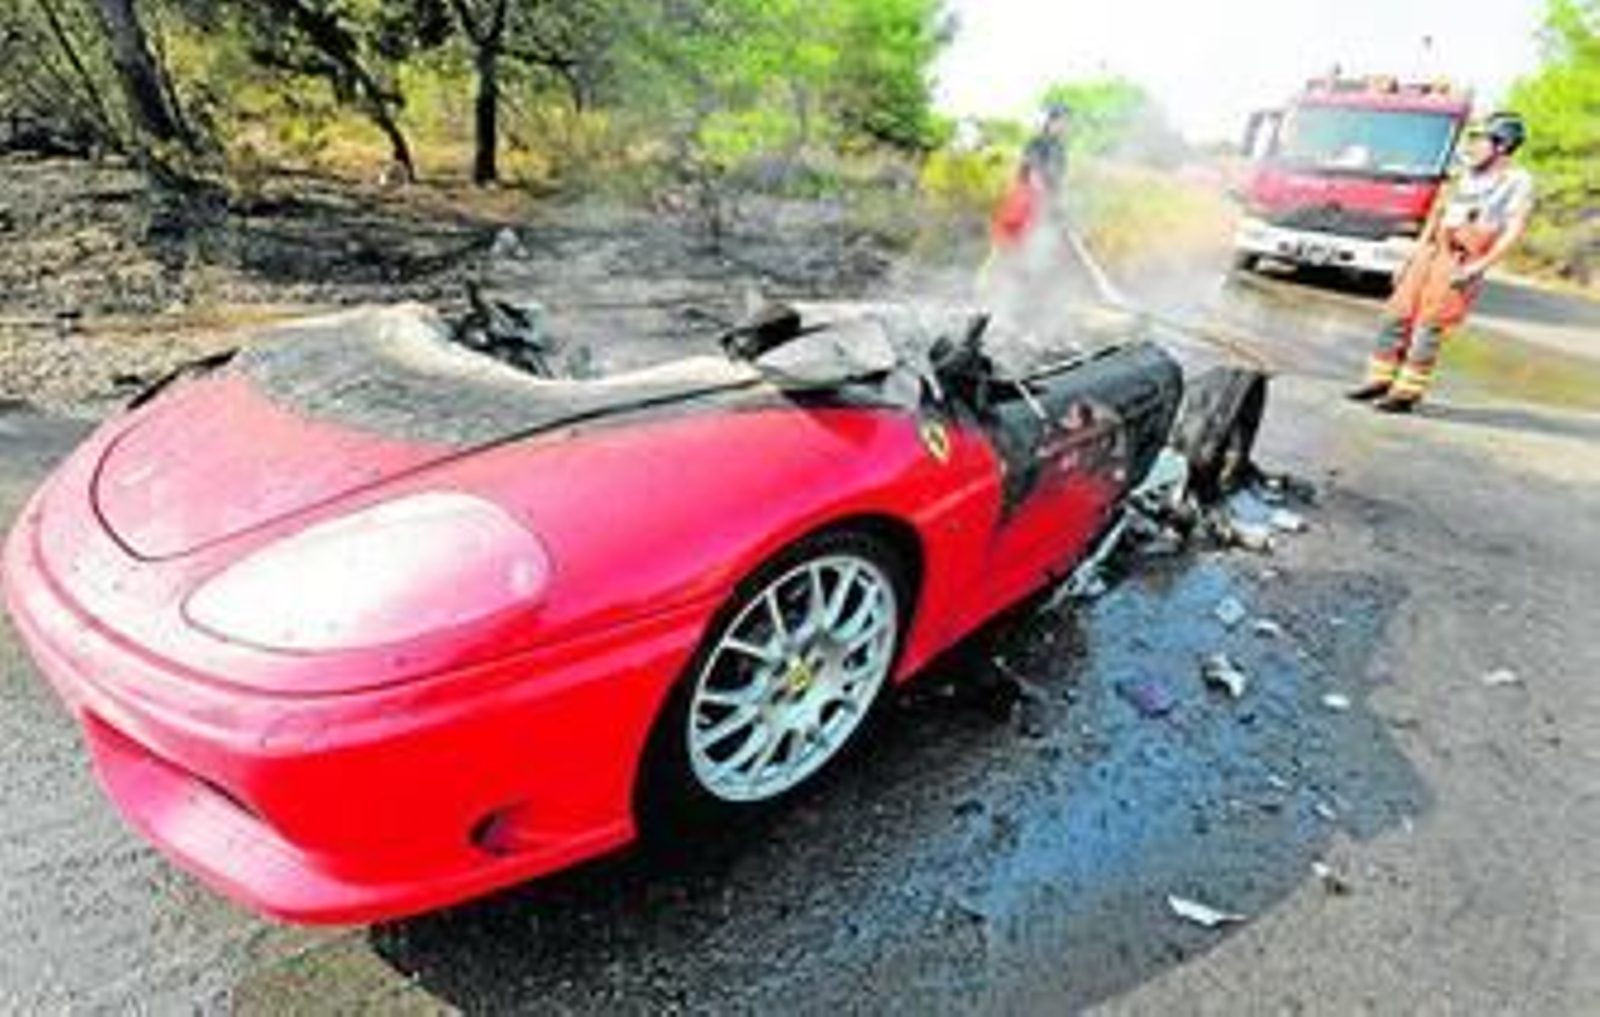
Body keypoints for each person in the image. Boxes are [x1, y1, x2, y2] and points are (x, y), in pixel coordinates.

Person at [1348, 112, 1535, 413]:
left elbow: (1514, 230)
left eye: (1481, 139)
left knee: (1429, 325)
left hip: (1461, 258)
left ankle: (1406, 393)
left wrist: (1477, 267)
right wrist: (1412, 258)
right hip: (1432, 251)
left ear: (1502, 146)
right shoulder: (1465, 172)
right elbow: (1437, 215)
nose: (1473, 145)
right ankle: (1379, 380)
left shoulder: (1517, 181)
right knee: (1396, 314)